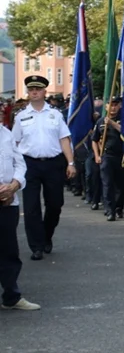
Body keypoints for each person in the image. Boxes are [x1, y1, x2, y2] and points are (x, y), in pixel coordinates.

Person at [11, 75, 77, 261]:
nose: (34, 92)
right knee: (31, 207)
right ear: (28, 92)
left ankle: (47, 235)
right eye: (31, 89)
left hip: (53, 163)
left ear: (44, 92)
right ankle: (36, 246)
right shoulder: (21, 116)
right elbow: (14, 143)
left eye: (38, 89)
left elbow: (64, 139)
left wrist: (70, 163)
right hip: (29, 164)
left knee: (55, 204)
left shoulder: (55, 114)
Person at [0, 122, 40, 311]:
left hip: (8, 201)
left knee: (9, 251)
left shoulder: (6, 134)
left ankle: (11, 297)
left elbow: (19, 163)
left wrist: (14, 185)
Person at [92, 96, 124, 222]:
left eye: (115, 105)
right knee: (107, 184)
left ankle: (119, 207)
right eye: (110, 105)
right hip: (107, 156)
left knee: (122, 185)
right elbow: (94, 140)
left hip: (123, 156)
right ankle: (110, 210)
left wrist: (112, 123)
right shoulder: (100, 121)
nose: (113, 108)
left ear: (119, 106)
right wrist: (97, 155)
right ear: (106, 106)